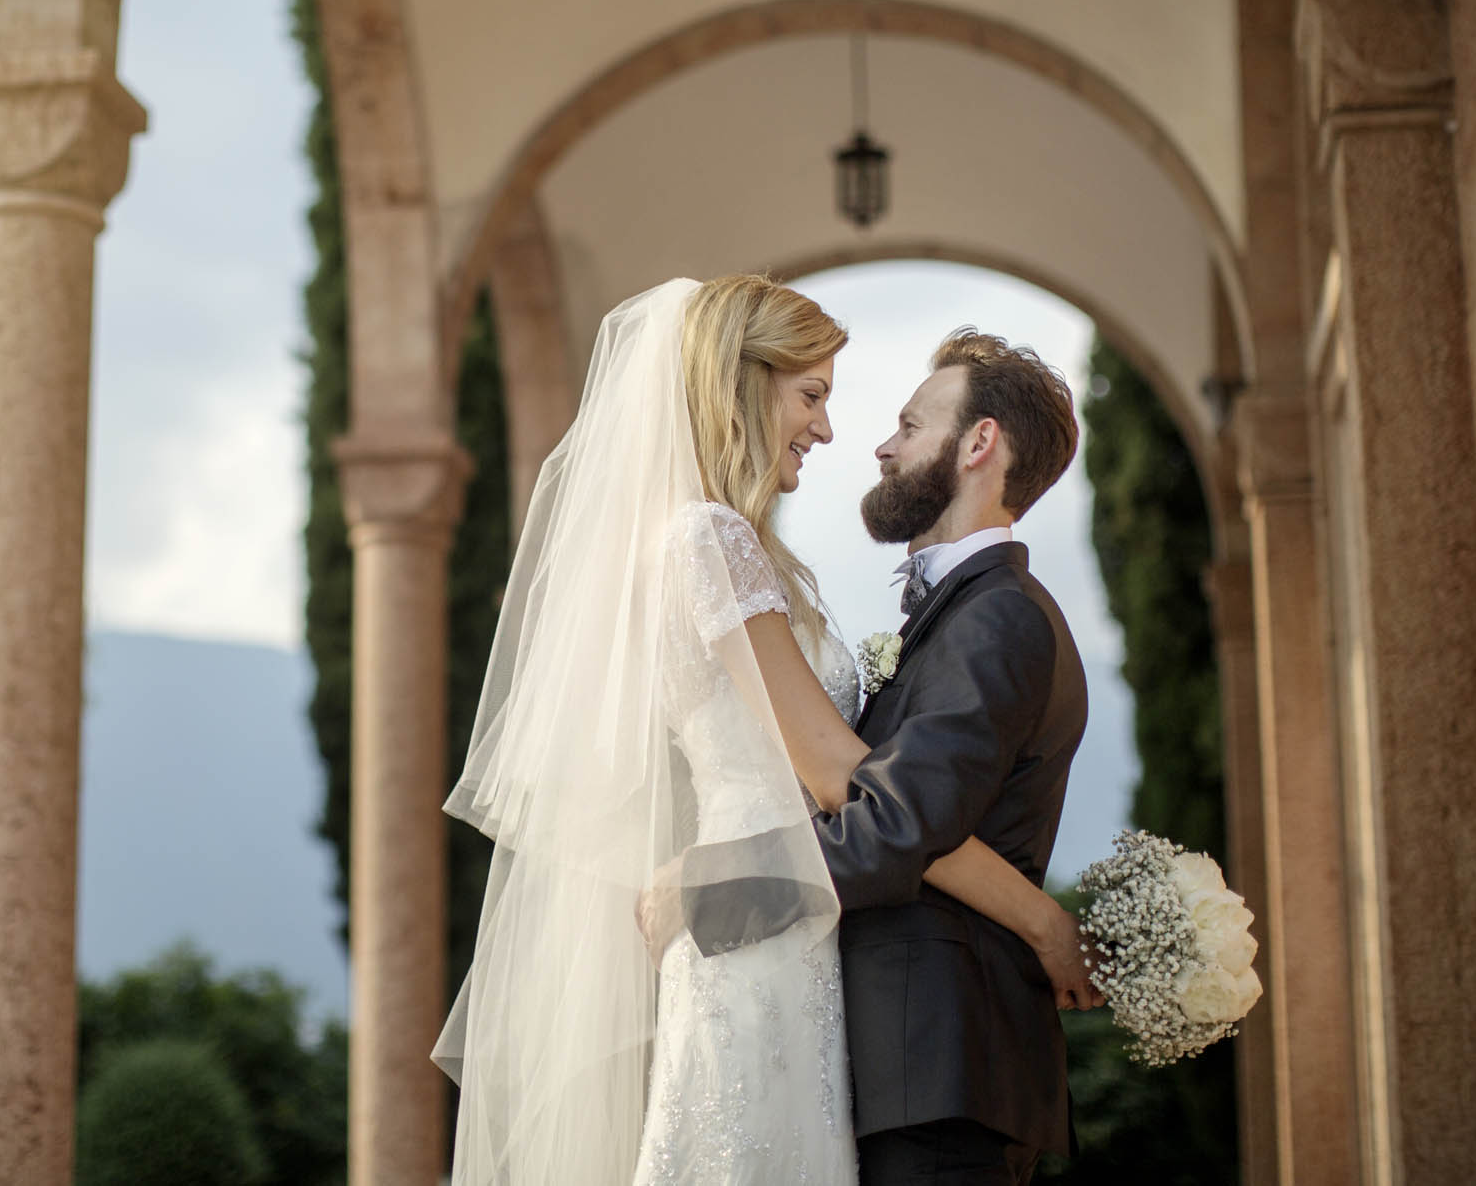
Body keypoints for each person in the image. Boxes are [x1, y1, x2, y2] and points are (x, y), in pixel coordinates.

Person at [435, 275, 1094, 1185]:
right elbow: (839, 774)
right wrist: (1039, 916)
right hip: (757, 946)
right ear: (744, 384)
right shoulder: (710, 539)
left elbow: (876, 799)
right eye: (811, 394)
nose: (829, 429)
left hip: (787, 938)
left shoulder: (742, 548)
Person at [671, 325, 1094, 1184]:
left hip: (939, 1077)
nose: (879, 445)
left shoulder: (999, 617)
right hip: (908, 1072)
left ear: (978, 443)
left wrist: (706, 887)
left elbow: (895, 826)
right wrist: (1041, 917)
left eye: (909, 425)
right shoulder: (964, 614)